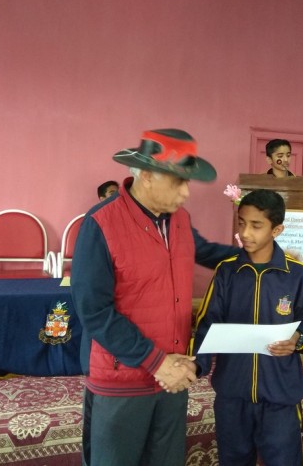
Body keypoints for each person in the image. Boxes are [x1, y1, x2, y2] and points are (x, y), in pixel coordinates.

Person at [72, 128, 237, 466]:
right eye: (178, 182)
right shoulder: (101, 223)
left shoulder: (179, 220)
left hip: (172, 379)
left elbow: (206, 251)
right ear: (146, 175)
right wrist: (157, 362)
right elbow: (94, 312)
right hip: (124, 381)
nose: (186, 193)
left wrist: (261, 255)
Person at [192, 188, 303, 466]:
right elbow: (207, 324)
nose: (245, 233)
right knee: (234, 460)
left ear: (277, 230)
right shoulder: (227, 271)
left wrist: (299, 339)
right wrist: (196, 367)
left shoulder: (296, 275)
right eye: (241, 223)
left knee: (284, 461)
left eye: (256, 225)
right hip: (232, 394)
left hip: (280, 395)